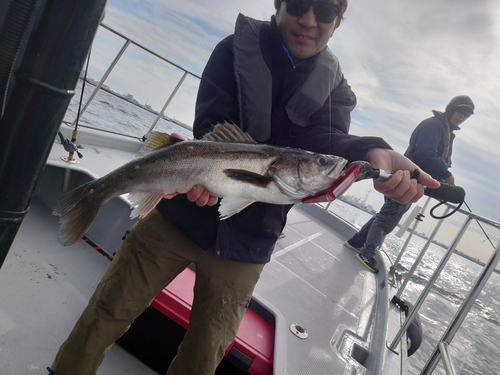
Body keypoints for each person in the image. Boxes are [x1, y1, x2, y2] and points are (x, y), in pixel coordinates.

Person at [49, 1, 439, 374]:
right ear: (279, 3)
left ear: (338, 20)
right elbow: (212, 128)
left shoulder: (337, 93)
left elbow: (328, 144)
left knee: (205, 354)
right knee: (108, 309)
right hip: (181, 212)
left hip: (251, 239)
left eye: (325, 10)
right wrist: (206, 179)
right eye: (300, 3)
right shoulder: (234, 49)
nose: (309, 19)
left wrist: (375, 151)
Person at [345, 95, 474, 273]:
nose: (462, 116)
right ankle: (367, 252)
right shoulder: (434, 125)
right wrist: (446, 174)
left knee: (386, 214)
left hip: (410, 181)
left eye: (466, 114)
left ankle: (356, 242)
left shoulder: (444, 130)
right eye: (460, 111)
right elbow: (425, 154)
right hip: (405, 180)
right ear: (451, 108)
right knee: (387, 218)